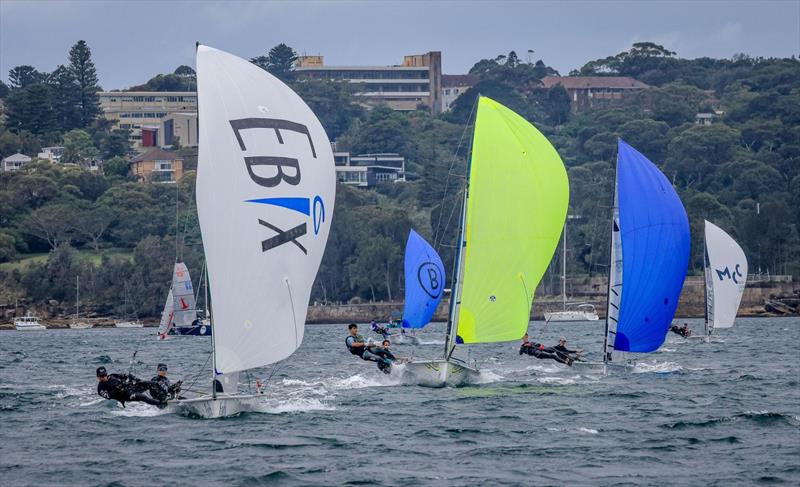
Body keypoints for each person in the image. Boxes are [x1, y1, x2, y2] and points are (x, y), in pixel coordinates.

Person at [95, 366, 164, 407]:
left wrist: (136, 380)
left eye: (105, 375)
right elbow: (109, 396)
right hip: (126, 395)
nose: (104, 377)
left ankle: (162, 395)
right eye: (101, 376)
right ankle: (161, 404)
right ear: (98, 377)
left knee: (151, 383)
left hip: (131, 387)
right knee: (142, 397)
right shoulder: (100, 388)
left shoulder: (113, 375)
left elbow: (126, 376)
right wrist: (118, 388)